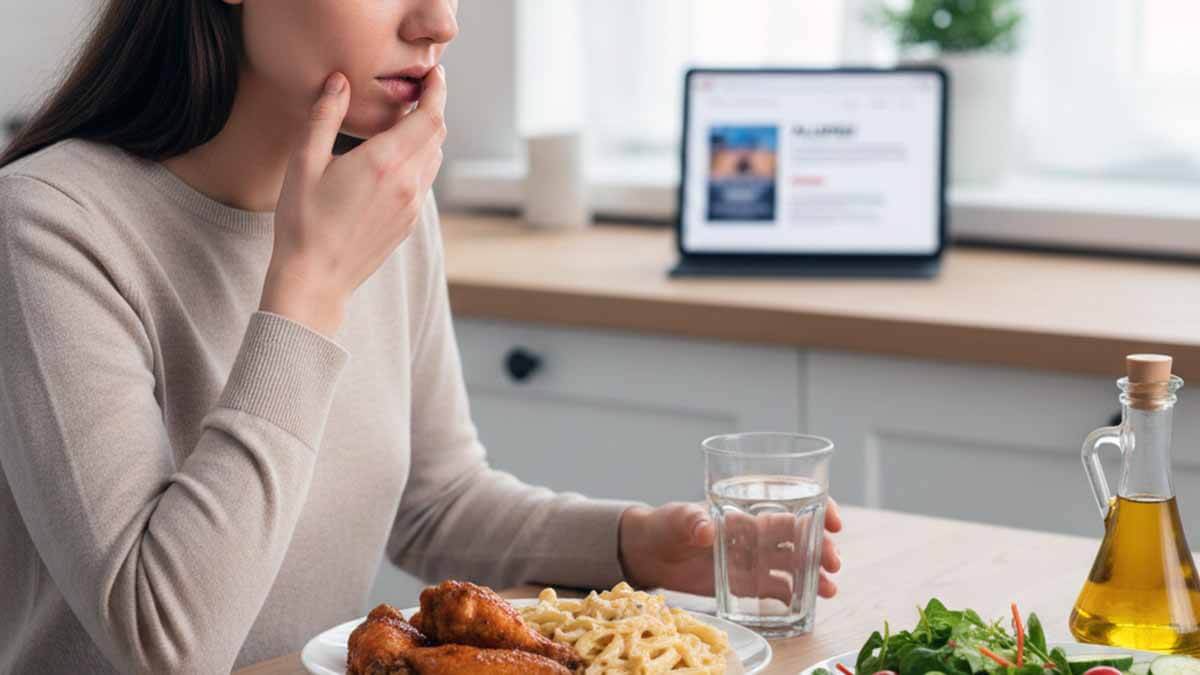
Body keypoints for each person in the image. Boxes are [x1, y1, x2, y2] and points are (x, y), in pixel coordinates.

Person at [0, 1, 842, 672]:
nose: (438, 21)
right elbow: (166, 643)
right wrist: (309, 286)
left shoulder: (382, 185)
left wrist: (636, 542)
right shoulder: (51, 222)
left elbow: (435, 503)